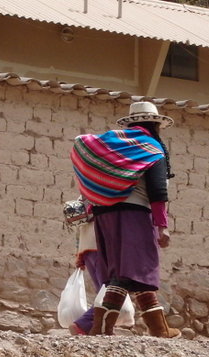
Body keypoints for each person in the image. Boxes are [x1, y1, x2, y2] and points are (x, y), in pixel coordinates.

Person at [70, 101, 180, 338]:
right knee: (130, 271)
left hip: (104, 216)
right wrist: (162, 226)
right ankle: (101, 327)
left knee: (132, 271)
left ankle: (159, 329)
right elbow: (158, 191)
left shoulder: (116, 146)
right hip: (134, 215)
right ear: (155, 126)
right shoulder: (151, 148)